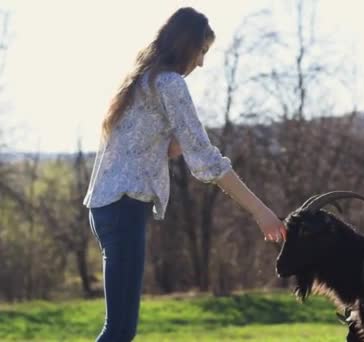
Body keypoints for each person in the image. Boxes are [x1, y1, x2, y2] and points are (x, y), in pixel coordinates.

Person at [83, 7, 286, 342]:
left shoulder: (141, 80)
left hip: (106, 208)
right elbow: (206, 161)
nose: (202, 62)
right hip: (124, 208)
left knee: (118, 329)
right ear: (187, 44)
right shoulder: (169, 83)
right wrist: (261, 212)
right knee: (119, 331)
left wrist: (180, 136)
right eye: (202, 51)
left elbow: (153, 146)